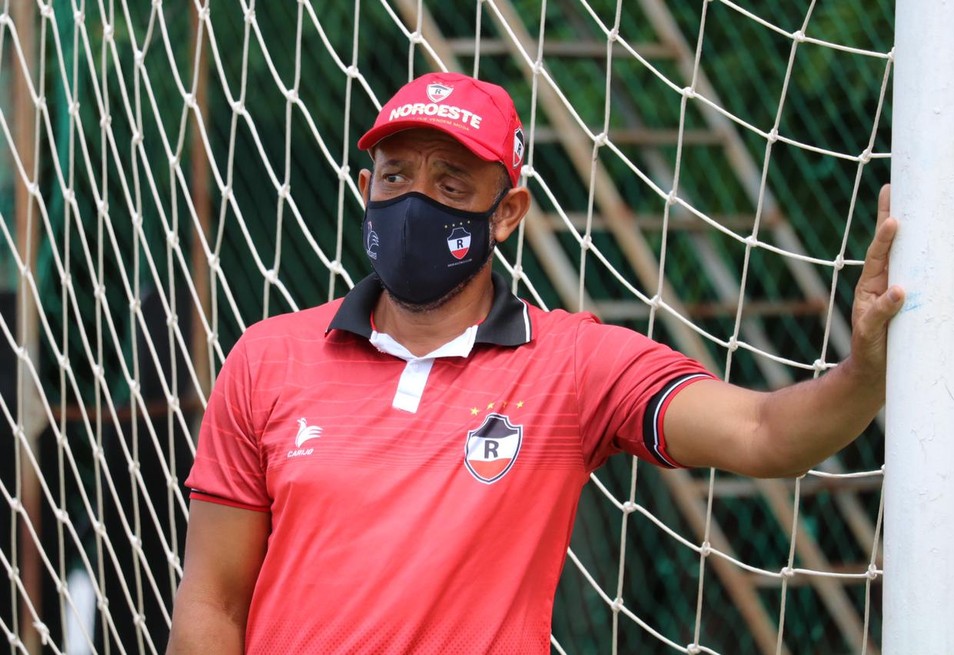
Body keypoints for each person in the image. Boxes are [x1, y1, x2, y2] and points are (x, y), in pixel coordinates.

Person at [165, 72, 905, 654]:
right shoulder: (269, 356)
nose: (416, 202)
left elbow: (763, 432)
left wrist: (862, 374)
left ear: (509, 212)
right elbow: (212, 600)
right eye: (395, 178)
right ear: (367, 189)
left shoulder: (572, 365)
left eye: (451, 184)